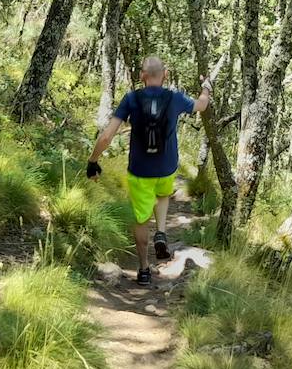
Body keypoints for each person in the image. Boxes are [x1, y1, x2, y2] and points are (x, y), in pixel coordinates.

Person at [87, 56, 210, 285]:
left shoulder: (132, 99)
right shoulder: (174, 98)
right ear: (165, 74)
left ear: (142, 75)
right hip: (167, 168)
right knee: (163, 195)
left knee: (141, 219)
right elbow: (201, 105)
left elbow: (106, 136)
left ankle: (143, 269)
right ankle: (161, 232)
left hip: (140, 171)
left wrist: (93, 160)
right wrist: (206, 87)